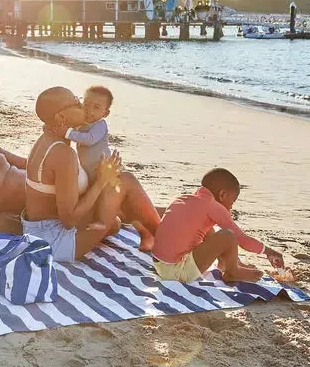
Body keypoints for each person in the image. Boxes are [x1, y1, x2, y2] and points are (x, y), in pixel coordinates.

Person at [22, 86, 160, 261]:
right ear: (62, 117)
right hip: (54, 242)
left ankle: (150, 233)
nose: (83, 108)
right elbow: (69, 220)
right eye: (78, 103)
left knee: (115, 223)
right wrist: (102, 181)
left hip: (39, 231)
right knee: (126, 180)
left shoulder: (48, 139)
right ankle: (165, 241)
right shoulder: (63, 153)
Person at [152, 168, 285, 283]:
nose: (232, 206)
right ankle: (232, 272)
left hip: (159, 264)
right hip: (177, 272)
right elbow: (243, 240)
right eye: (233, 201)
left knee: (208, 227)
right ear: (222, 194)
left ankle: (225, 264)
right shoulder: (212, 206)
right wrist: (270, 252)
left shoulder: (184, 199)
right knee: (228, 235)